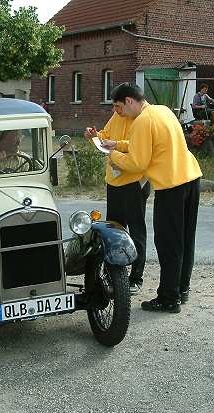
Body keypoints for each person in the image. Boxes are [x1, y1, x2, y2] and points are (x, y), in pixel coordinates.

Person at [102, 83, 203, 314]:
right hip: (191, 177)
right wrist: (118, 144)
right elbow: (146, 145)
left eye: (119, 107)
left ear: (129, 101)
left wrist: (113, 154)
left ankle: (168, 298)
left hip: (171, 186)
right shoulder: (162, 111)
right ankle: (181, 289)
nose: (119, 113)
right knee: (186, 239)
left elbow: (138, 163)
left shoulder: (141, 121)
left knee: (168, 244)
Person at [84, 108, 151, 295]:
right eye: (114, 106)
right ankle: (113, 274)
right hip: (114, 181)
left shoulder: (142, 117)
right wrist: (95, 136)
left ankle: (136, 278)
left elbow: (140, 145)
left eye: (118, 106)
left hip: (134, 182)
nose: (116, 110)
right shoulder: (117, 115)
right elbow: (106, 134)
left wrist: (117, 144)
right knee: (113, 229)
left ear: (128, 101)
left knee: (136, 231)